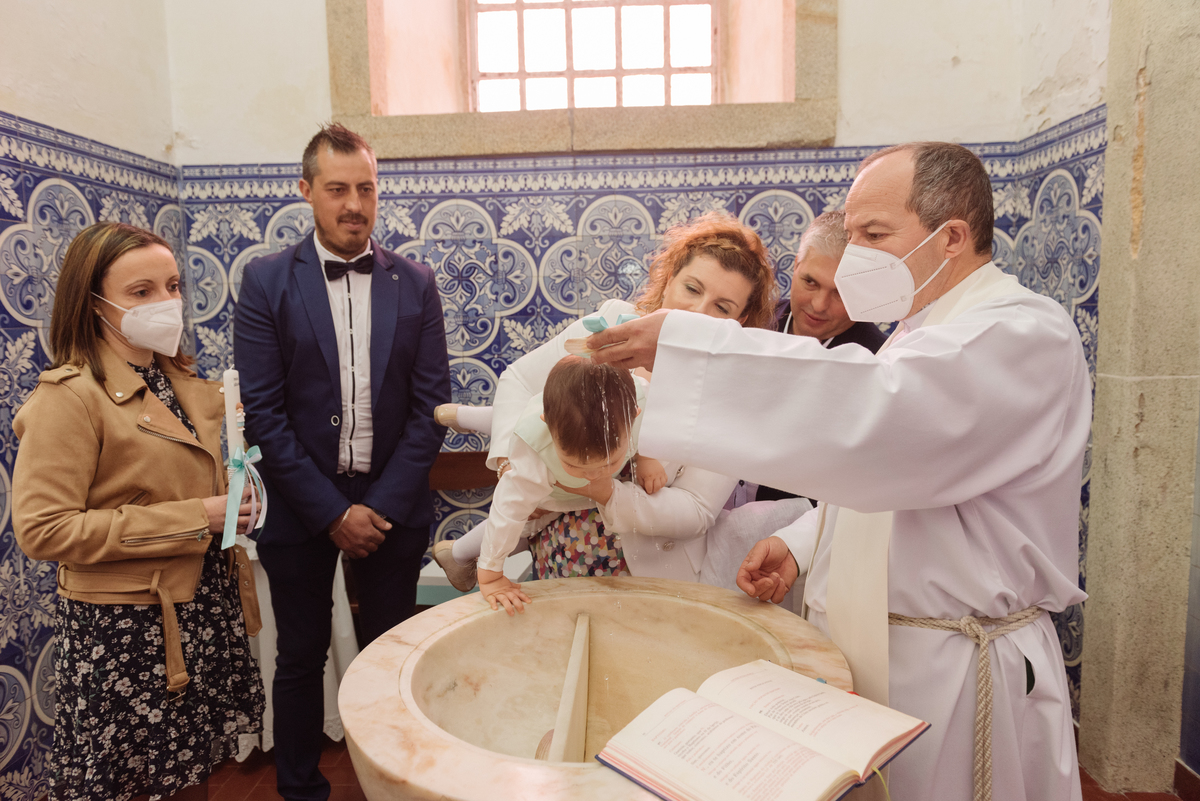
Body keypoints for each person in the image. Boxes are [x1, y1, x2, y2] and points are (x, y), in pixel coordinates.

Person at [586, 142, 1089, 801]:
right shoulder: (924, 331)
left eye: (873, 234)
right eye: (848, 236)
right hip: (891, 653)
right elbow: (908, 488)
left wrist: (689, 347)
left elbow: (885, 425)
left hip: (959, 673)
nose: (853, 258)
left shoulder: (1023, 334)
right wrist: (803, 543)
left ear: (952, 237)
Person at [233, 123, 450, 801]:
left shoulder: (415, 282)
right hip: (300, 508)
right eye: (338, 189)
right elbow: (263, 414)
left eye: (366, 188)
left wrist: (377, 506)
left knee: (391, 657)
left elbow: (431, 407)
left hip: (394, 505)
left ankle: (396, 785)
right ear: (307, 191)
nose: (354, 203)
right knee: (299, 657)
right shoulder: (266, 281)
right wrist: (332, 513)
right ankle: (300, 790)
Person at [12, 222, 264, 801]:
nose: (166, 302)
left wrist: (238, 493)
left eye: (172, 286)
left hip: (195, 611)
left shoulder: (179, 381)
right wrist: (199, 515)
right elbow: (44, 529)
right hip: (127, 632)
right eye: (142, 291)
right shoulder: (70, 396)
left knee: (187, 778)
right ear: (93, 303)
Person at [433, 211, 782, 590]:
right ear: (668, 282)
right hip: (559, 555)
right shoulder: (614, 325)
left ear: (740, 320)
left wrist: (601, 490)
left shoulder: (731, 394)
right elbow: (519, 380)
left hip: (651, 572)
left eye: (722, 307)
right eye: (693, 289)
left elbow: (696, 511)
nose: (699, 313)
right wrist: (510, 466)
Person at [473, 355, 664, 614]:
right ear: (547, 426)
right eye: (575, 465)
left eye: (608, 463)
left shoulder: (643, 398)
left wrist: (647, 457)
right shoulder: (533, 449)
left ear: (635, 416)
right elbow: (507, 512)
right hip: (552, 494)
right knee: (526, 522)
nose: (593, 476)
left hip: (603, 496)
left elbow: (652, 425)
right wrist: (490, 576)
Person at [754, 209, 887, 503]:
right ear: (796, 266)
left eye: (840, 293)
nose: (819, 305)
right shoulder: (752, 323)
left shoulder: (879, 364)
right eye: (810, 282)